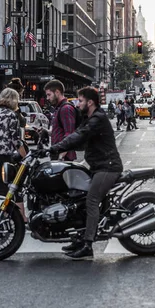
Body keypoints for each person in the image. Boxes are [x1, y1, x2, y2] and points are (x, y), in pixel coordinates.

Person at [49, 87, 123, 260]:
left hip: (108, 167)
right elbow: (79, 138)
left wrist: (56, 147)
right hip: (98, 166)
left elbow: (79, 135)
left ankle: (88, 245)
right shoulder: (89, 118)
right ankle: (79, 238)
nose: (77, 103)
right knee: (77, 197)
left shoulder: (97, 118)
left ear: (90, 102)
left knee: (91, 200)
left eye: (80, 101)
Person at [0, 88, 27, 199]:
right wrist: (25, 156)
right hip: (2, 154)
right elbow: (15, 140)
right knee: (6, 186)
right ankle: (5, 211)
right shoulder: (11, 115)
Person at [44, 79, 77, 162]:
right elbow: (58, 132)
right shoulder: (58, 108)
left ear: (57, 92)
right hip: (58, 155)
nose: (47, 98)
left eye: (49, 95)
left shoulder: (66, 109)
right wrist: (47, 132)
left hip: (64, 158)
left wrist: (60, 157)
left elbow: (69, 135)